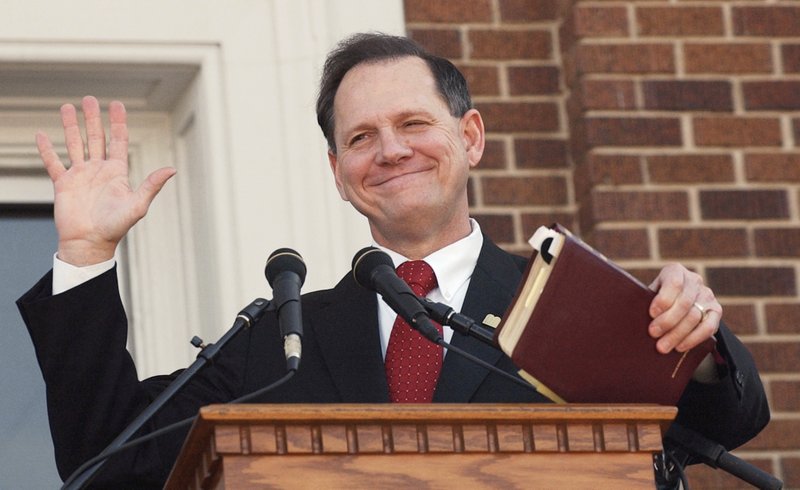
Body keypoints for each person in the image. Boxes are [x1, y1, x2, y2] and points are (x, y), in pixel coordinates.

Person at [17, 32, 769, 487]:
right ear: (339, 172)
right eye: (361, 137)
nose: (391, 150)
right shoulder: (280, 344)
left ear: (470, 138)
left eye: (413, 122)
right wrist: (85, 254)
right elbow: (104, 461)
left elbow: (727, 422)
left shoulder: (565, 307)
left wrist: (689, 338)